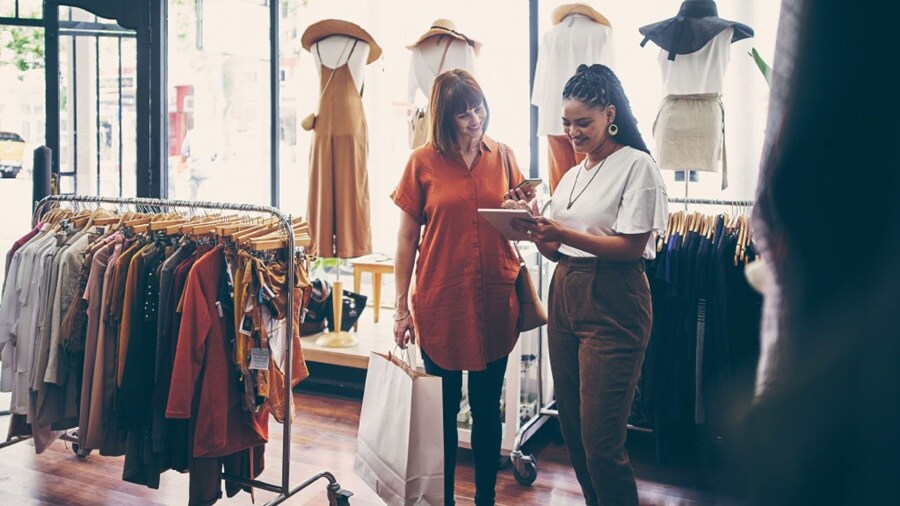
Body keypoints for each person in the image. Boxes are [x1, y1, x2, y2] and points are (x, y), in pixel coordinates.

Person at [506, 64, 667, 505]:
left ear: (609, 114)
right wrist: (538, 232)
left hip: (614, 298)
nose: (573, 133)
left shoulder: (637, 166)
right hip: (565, 292)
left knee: (601, 441)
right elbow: (558, 251)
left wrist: (561, 233)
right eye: (567, 124)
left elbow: (631, 247)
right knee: (573, 432)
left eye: (583, 123)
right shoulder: (574, 174)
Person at [391, 68, 529, 506]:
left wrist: (524, 209)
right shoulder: (421, 162)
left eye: (479, 107)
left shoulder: (504, 156)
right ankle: (445, 499)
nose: (475, 119)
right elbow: (406, 240)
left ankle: (485, 498)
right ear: (444, 118)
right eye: (463, 114)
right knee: (443, 415)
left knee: (488, 411)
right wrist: (400, 308)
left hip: (494, 299)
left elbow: (523, 223)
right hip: (441, 300)